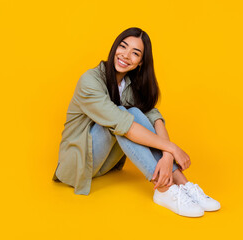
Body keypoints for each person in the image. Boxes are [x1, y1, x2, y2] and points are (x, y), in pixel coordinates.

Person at [52, 27, 220, 217]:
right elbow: (123, 124)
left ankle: (184, 185)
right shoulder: (90, 80)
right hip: (77, 165)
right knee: (123, 115)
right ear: (115, 47)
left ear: (141, 62)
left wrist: (167, 155)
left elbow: (154, 116)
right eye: (123, 47)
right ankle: (164, 190)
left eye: (135, 53)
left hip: (103, 164)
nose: (126, 55)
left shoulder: (129, 85)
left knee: (136, 112)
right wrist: (173, 148)